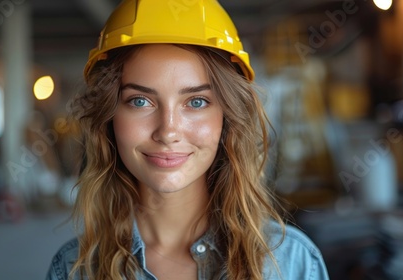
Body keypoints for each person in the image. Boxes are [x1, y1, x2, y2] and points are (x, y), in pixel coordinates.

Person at [46, 0, 329, 279]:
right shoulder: (74, 269)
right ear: (110, 118)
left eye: (196, 102)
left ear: (227, 118)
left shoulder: (292, 262)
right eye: (140, 101)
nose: (168, 132)